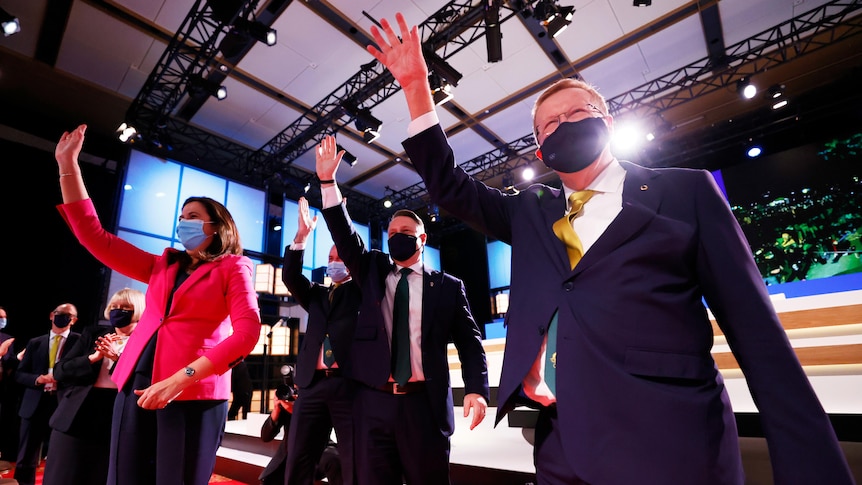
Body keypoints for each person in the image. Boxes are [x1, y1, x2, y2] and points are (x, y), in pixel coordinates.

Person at [364, 13, 855, 484]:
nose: (565, 123)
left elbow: (759, 339)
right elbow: (449, 187)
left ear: (609, 122)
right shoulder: (530, 211)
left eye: (580, 112)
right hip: (559, 444)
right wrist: (415, 90)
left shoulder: (686, 194)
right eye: (550, 125)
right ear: (540, 152)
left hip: (667, 442)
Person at [54, 124, 262, 485]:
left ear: (218, 227)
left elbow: (247, 333)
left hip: (191, 391)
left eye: (193, 217)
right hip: (135, 381)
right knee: (123, 477)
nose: (183, 224)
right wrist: (68, 164)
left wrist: (182, 379)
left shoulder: (234, 267)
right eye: (181, 218)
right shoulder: (162, 264)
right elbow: (93, 235)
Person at [316, 134, 490, 485]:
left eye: (406, 231)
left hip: (423, 406)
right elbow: (345, 234)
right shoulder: (373, 270)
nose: (398, 235)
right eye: (393, 231)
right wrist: (327, 182)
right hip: (373, 402)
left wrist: (476, 388)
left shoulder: (448, 287)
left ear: (422, 239)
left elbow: (470, 343)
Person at [280, 196, 361, 485]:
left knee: (354, 459)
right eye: (329, 258)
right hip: (311, 386)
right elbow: (289, 275)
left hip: (349, 385)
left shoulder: (364, 291)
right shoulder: (315, 294)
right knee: (298, 458)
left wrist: (342, 223)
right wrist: (301, 236)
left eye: (340, 258)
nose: (334, 263)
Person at [42, 288, 145, 485]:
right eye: (114, 306)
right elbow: (60, 371)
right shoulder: (94, 333)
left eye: (125, 308)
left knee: (101, 474)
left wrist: (117, 358)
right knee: (63, 475)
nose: (118, 311)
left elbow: (144, 380)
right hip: (78, 413)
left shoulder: (147, 342)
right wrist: (93, 358)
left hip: (118, 412)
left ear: (139, 310)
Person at [13, 303, 82, 485]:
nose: (63, 317)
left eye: (68, 315)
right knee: (26, 455)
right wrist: (38, 379)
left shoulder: (80, 342)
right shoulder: (35, 343)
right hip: (34, 402)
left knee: (59, 456)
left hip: (63, 403)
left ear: (74, 320)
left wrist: (63, 378)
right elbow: (19, 374)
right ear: (52, 315)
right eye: (59, 313)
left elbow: (83, 373)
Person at [259, 395, 343, 485]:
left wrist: (298, 411)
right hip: (291, 454)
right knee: (271, 480)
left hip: (319, 449)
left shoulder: (317, 397)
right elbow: (266, 437)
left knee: (333, 460)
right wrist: (276, 410)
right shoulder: (288, 403)